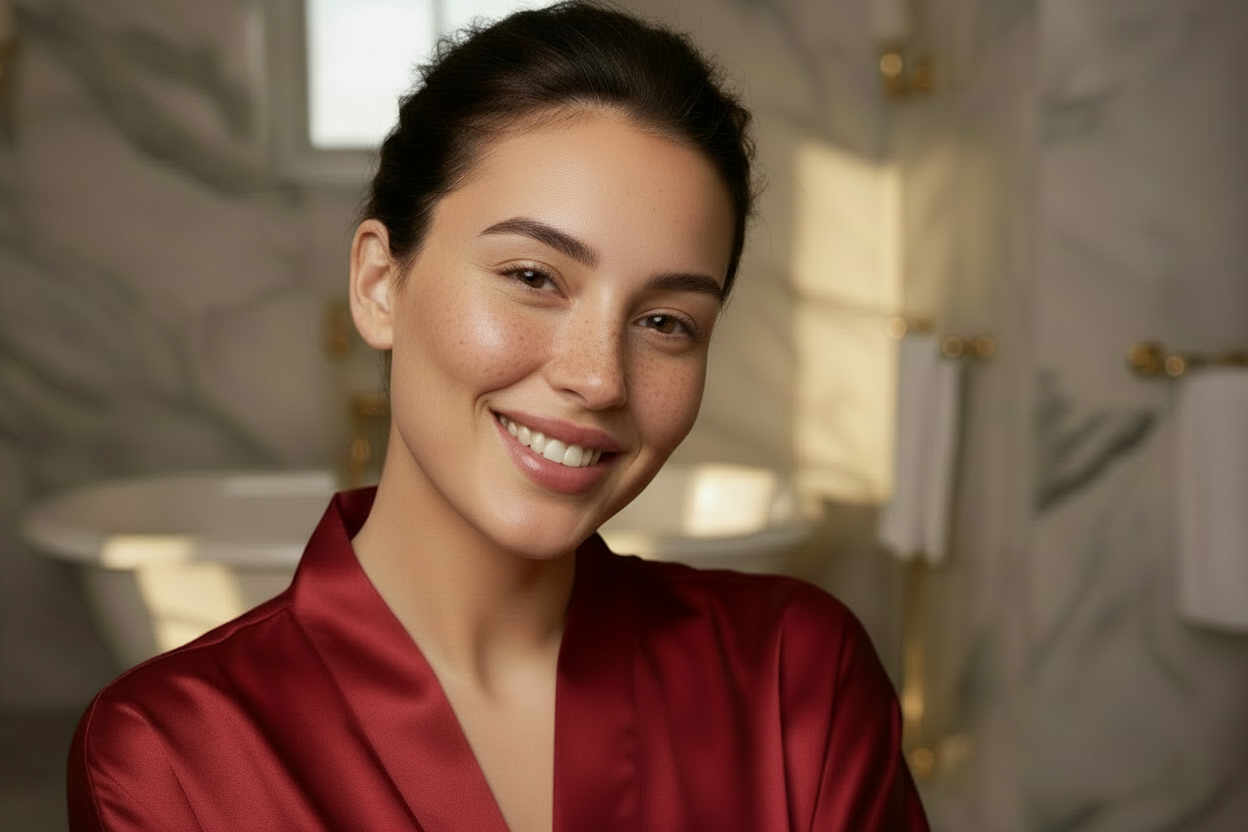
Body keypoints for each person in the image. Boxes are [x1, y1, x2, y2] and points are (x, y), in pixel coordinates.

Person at [67, 3, 929, 830]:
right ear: (379, 284)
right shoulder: (170, 753)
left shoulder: (794, 677)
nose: (597, 379)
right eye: (532, 277)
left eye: (666, 322)